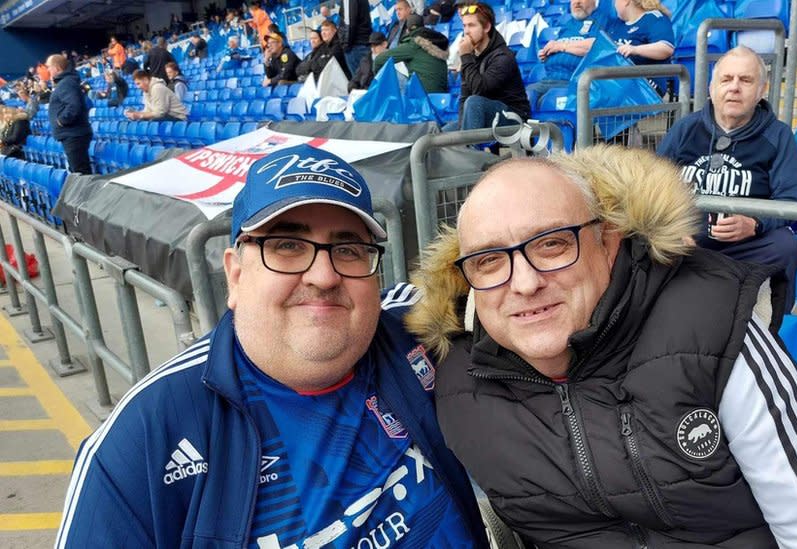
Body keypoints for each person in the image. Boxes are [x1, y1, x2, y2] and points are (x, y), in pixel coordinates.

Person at [405, 144, 797, 548]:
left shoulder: (712, 324)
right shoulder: (451, 359)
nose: (525, 282)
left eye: (552, 244)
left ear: (608, 241)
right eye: (490, 260)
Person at [55, 144, 490, 549]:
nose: (323, 276)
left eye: (349, 248)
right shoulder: (147, 435)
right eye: (286, 246)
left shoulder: (415, 330)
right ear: (236, 275)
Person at [657, 46, 797, 328]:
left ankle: (776, 330)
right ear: (712, 87)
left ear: (762, 89)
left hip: (746, 246)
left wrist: (755, 223)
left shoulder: (779, 135)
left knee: (786, 246)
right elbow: (653, 186)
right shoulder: (685, 129)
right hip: (688, 241)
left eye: (745, 81)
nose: (734, 88)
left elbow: (790, 200)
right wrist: (672, 231)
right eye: (726, 79)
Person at [452, 3, 530, 130]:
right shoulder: (471, 58)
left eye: (471, 25)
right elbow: (464, 98)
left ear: (487, 27)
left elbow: (481, 90)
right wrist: (461, 133)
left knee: (474, 103)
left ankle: (469, 149)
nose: (466, 31)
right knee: (441, 136)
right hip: (484, 114)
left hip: (514, 119)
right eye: (464, 26)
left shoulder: (503, 56)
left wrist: (465, 56)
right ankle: (464, 148)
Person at [531, 0, 608, 104]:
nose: (577, 2)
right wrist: (547, 53)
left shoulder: (603, 20)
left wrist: (562, 46)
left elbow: (598, 46)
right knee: (521, 98)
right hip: (549, 79)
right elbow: (558, 47)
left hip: (573, 82)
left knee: (546, 101)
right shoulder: (569, 24)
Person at [605, 0, 675, 95]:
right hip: (618, 83)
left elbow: (666, 48)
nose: (614, 4)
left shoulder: (654, 18)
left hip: (645, 87)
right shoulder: (616, 24)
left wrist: (635, 49)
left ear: (626, 1)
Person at [373, 14, 449, 93]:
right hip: (441, 94)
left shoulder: (413, 44)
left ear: (407, 30)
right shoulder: (436, 41)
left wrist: (379, 81)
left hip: (422, 95)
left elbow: (379, 60)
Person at [46, 54, 92, 174]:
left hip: (73, 134)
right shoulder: (65, 82)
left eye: (49, 67)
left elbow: (73, 106)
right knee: (78, 171)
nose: (48, 70)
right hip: (72, 134)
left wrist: (62, 121)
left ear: (57, 68)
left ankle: (85, 193)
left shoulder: (66, 83)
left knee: (80, 173)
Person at [339, 0, 373, 78]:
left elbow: (349, 23)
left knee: (360, 84)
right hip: (363, 43)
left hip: (355, 47)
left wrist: (345, 46)